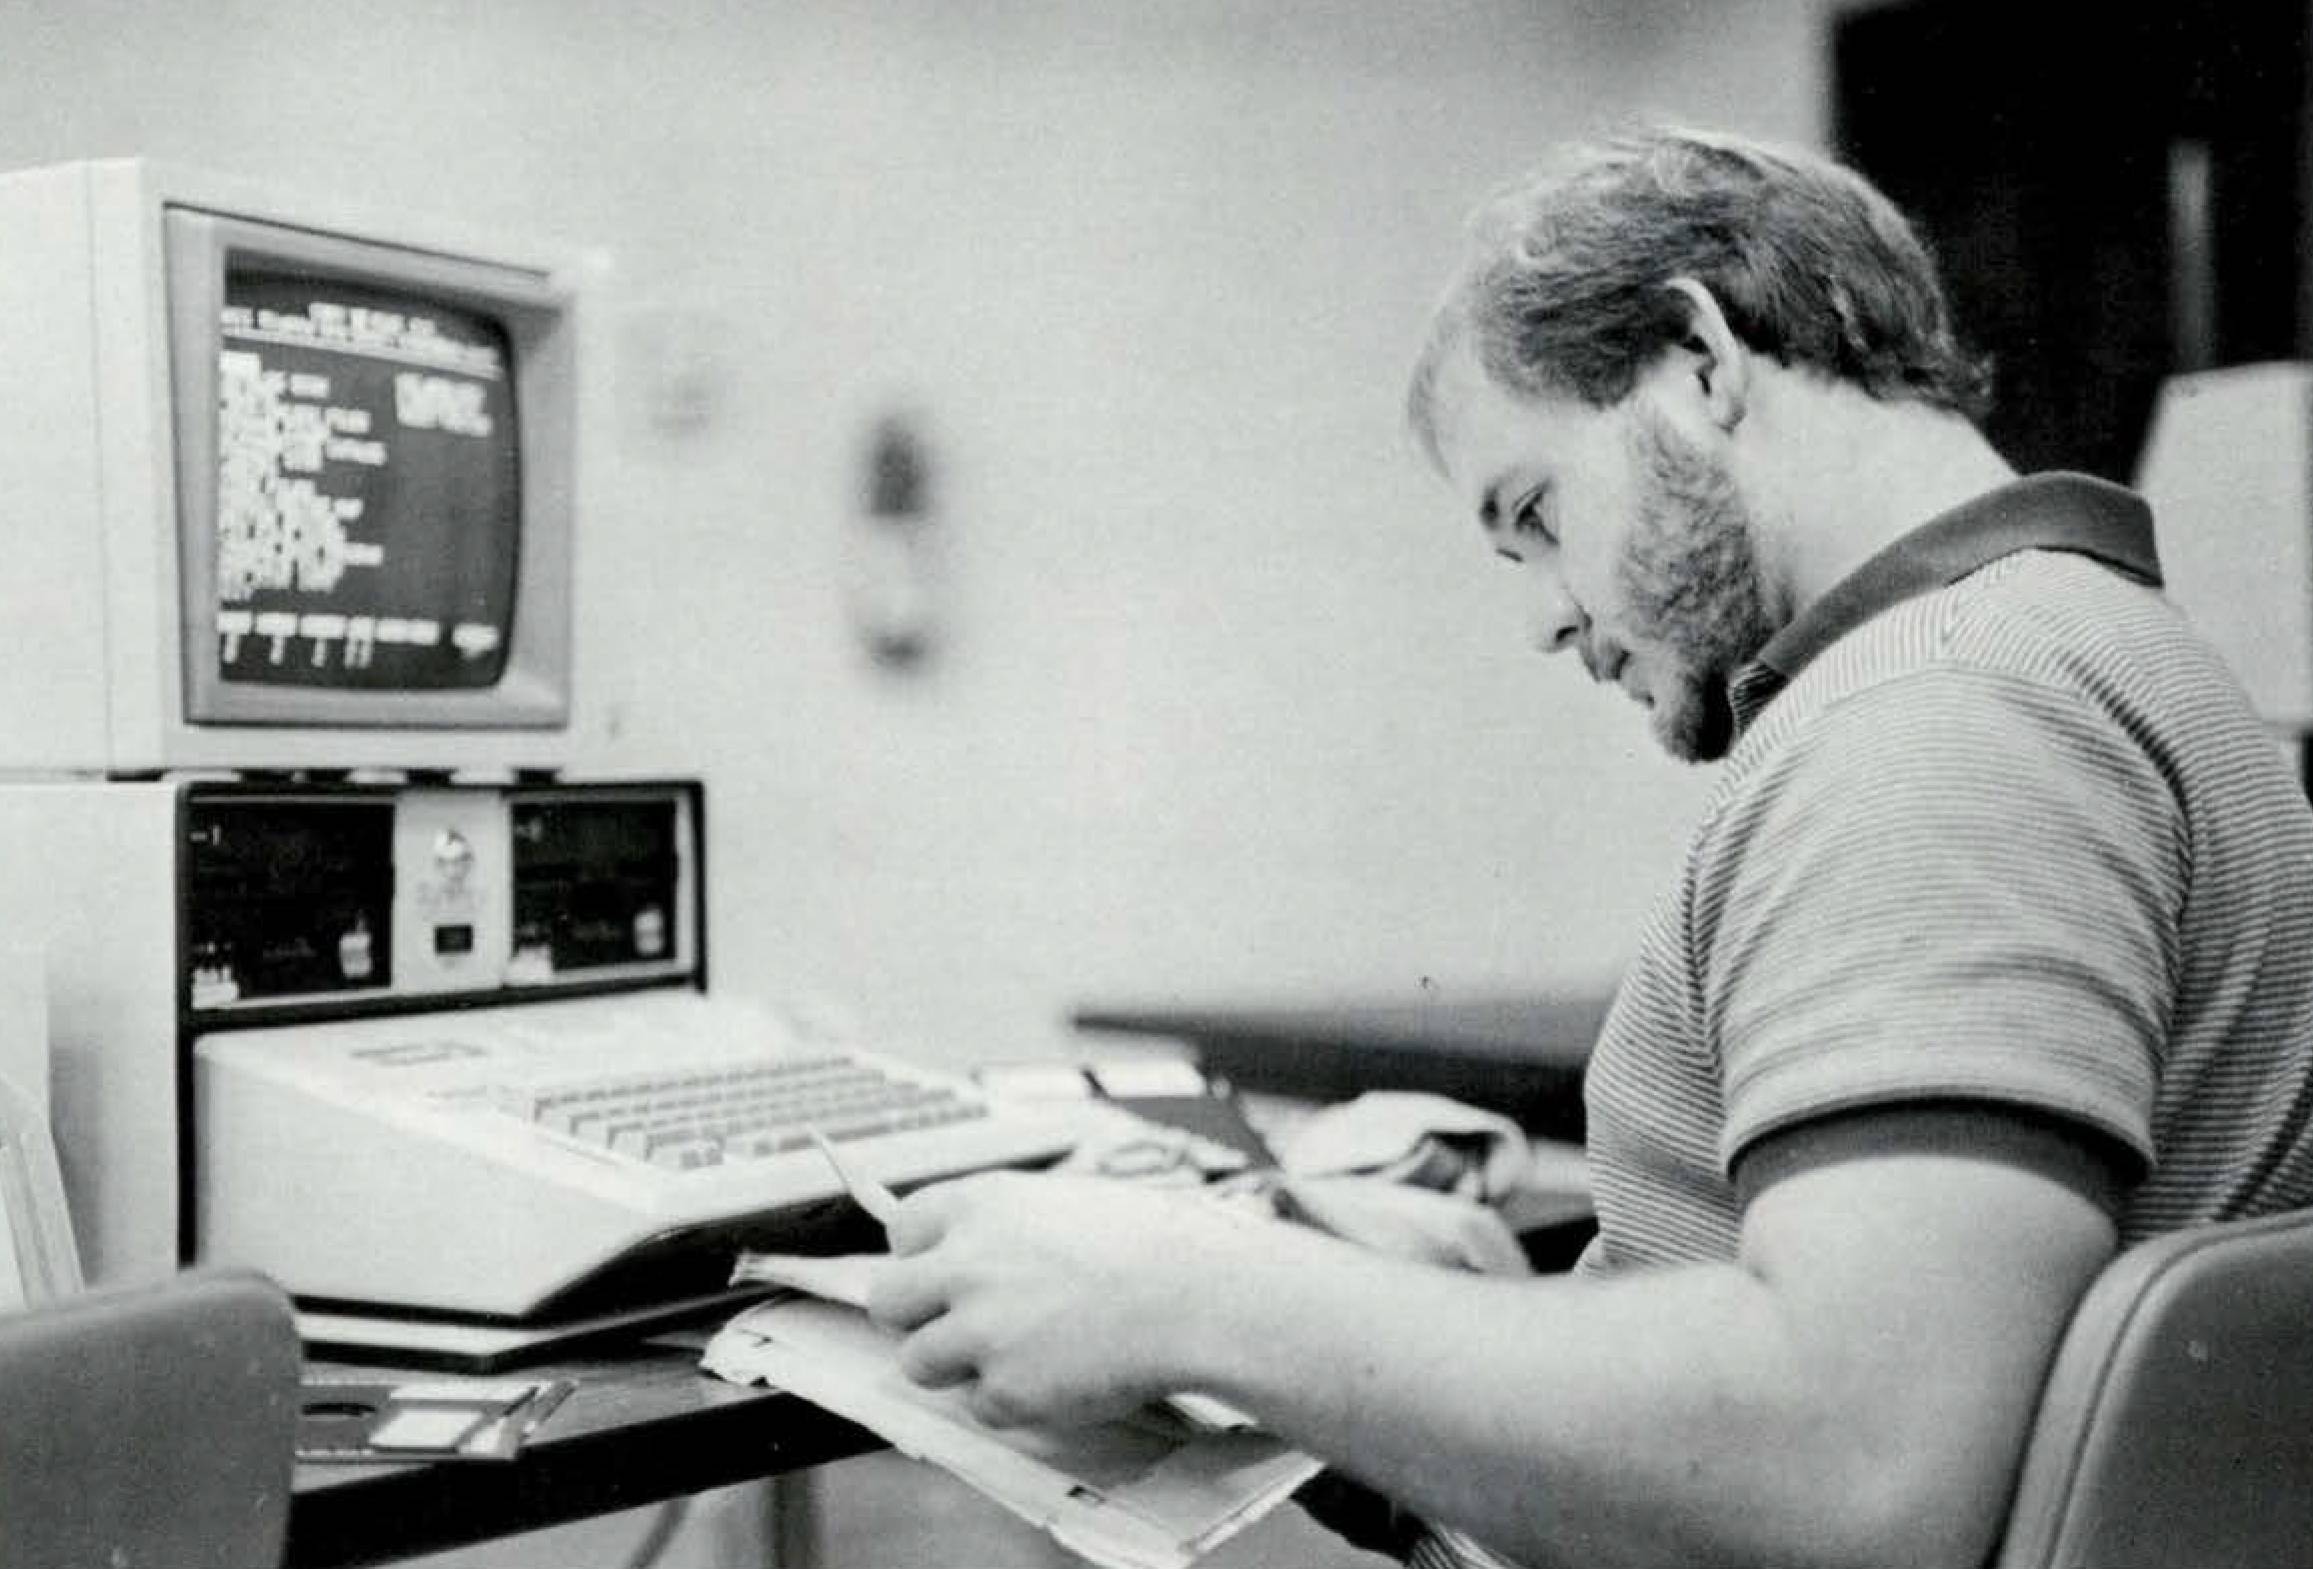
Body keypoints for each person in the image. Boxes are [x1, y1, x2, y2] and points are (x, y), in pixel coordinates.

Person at [866, 126, 2313, 1569]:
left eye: (1537, 515)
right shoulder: (2100, 643)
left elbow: (1858, 1463)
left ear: (1697, 356)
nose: (1548, 615)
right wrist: (1470, 1314)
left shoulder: (1940, 720)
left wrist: (1201, 1292)